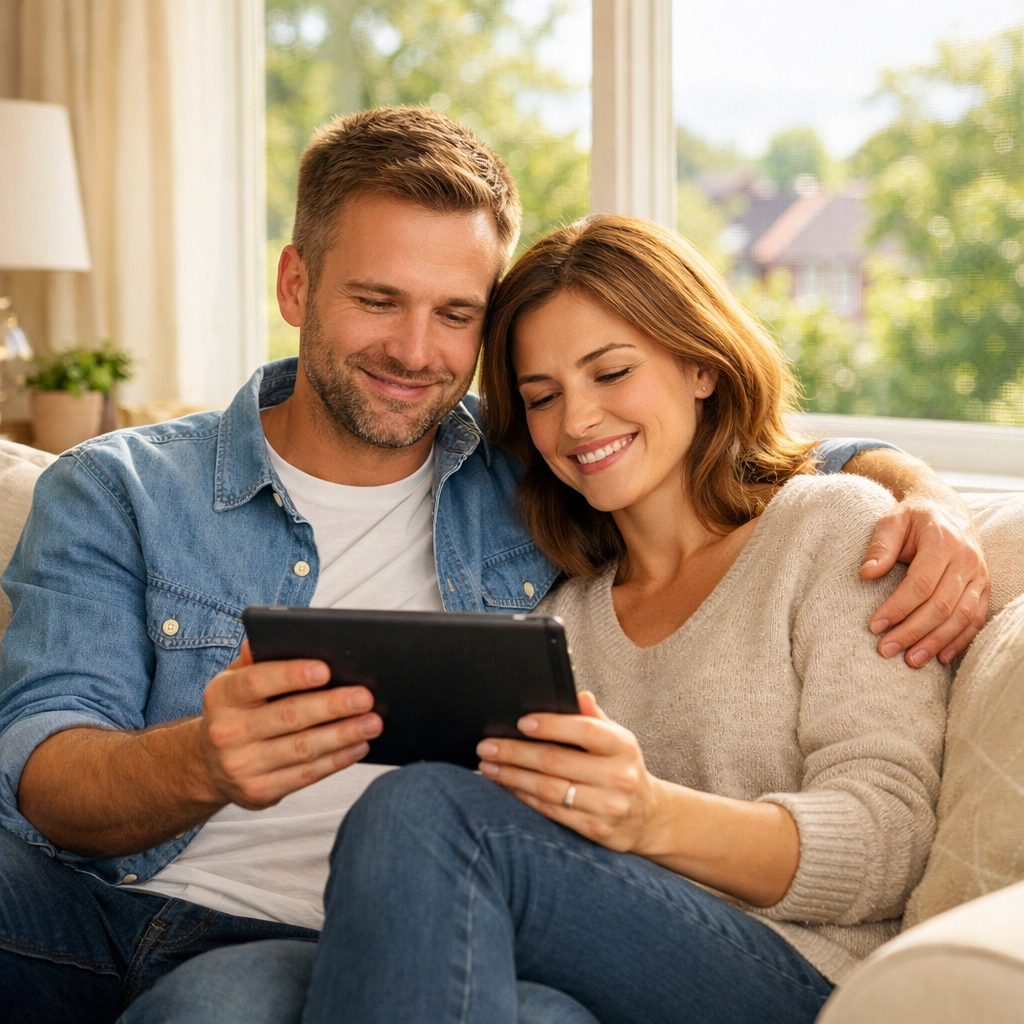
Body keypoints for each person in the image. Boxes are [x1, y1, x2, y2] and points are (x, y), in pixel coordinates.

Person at [0, 108, 986, 1024]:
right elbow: (43, 772)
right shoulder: (565, 581)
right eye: (378, 299)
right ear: (296, 284)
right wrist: (202, 758)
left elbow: (742, 459)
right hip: (115, 900)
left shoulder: (801, 523)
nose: (414, 349)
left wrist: (919, 488)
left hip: (381, 939)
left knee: (354, 873)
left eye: (456, 314)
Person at [286, 215, 953, 1024]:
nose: (577, 422)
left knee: (419, 810)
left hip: (800, 980)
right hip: (606, 976)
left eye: (610, 373)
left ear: (700, 365)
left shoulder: (833, 530)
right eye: (543, 396)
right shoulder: (559, 617)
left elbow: (889, 839)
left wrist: (650, 815)